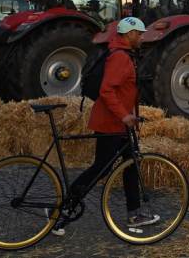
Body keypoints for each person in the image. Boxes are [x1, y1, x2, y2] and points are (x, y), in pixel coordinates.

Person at [53, 16, 157, 236]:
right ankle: (64, 208)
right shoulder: (120, 57)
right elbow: (107, 91)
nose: (142, 37)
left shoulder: (124, 54)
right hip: (112, 123)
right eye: (139, 33)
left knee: (131, 164)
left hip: (120, 124)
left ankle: (135, 213)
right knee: (101, 167)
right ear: (129, 34)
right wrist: (124, 116)